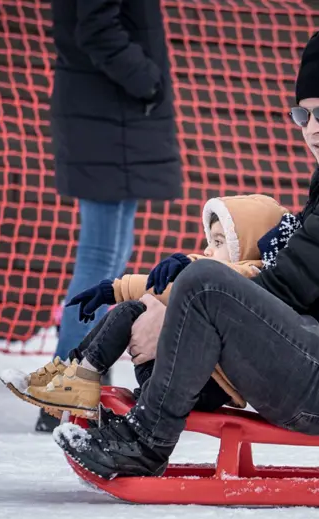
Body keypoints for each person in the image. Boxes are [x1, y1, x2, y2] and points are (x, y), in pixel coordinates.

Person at [51, 24, 319, 481]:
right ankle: (145, 411)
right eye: (301, 116)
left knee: (205, 285)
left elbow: (288, 287)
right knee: (200, 285)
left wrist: (173, 315)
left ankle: (146, 443)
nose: (312, 130)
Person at [1, 194, 290, 417]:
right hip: (185, 377)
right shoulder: (216, 274)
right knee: (137, 305)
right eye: (209, 240)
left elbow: (231, 278)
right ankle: (72, 371)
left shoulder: (256, 277)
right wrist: (113, 290)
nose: (207, 249)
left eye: (218, 241)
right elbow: (166, 287)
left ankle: (81, 380)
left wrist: (190, 264)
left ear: (248, 245)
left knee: (131, 312)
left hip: (204, 388)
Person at [37, 0, 182, 431]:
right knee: (101, 256)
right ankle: (66, 384)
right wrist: (147, 80)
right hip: (107, 115)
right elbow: (97, 27)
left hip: (111, 119)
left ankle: (81, 379)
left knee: (112, 255)